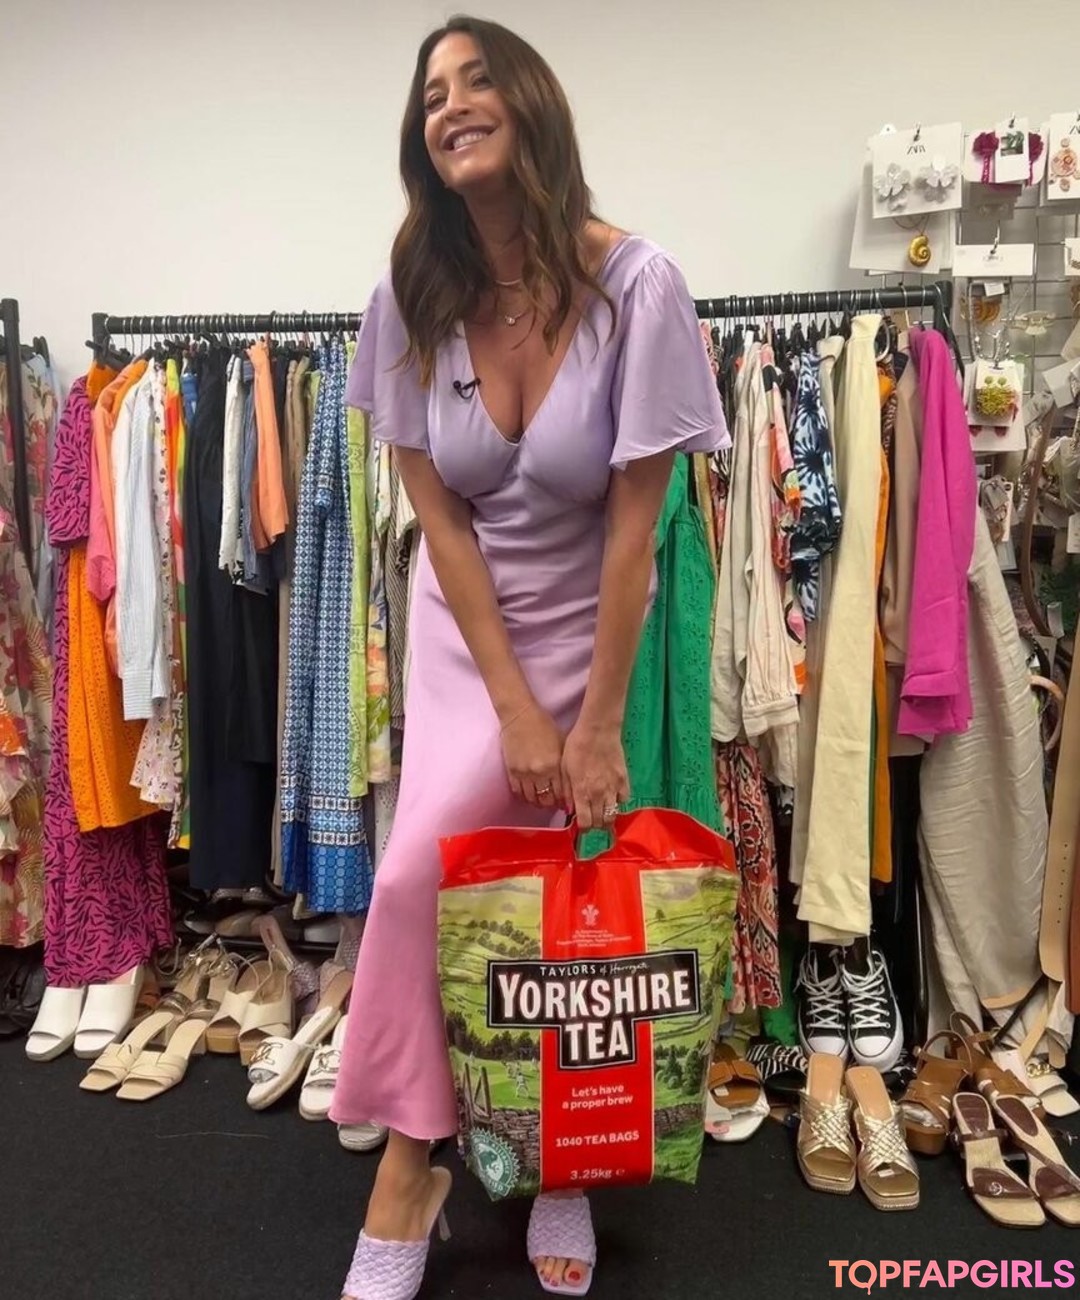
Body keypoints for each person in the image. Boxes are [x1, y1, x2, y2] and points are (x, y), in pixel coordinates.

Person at [331, 15, 728, 1300]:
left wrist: (595, 721)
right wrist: (508, 703)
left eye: (475, 79)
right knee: (418, 884)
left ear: (530, 99)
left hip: (591, 631)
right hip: (467, 640)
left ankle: (558, 1156)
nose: (450, 105)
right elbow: (438, 518)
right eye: (430, 95)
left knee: (558, 904)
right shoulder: (409, 292)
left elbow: (636, 529)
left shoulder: (640, 287)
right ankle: (412, 1167)